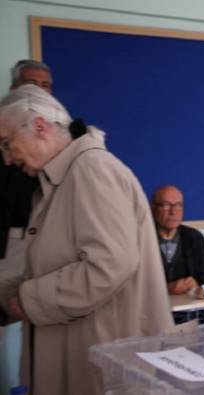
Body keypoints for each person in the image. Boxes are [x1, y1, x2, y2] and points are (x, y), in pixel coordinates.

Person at [0, 84, 173, 395]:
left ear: (40, 127)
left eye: (6, 143)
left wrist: (30, 299)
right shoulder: (58, 180)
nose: (7, 158)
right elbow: (52, 264)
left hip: (101, 356)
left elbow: (109, 264)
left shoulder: (92, 169)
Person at [0, 59, 51, 395]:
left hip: (40, 251)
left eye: (45, 86)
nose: (37, 91)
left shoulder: (60, 143)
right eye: (31, 83)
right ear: (14, 89)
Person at [151, 185, 204, 295]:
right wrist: (166, 290)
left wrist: (196, 283)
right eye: (166, 205)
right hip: (152, 309)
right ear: (153, 208)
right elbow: (130, 285)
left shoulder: (194, 237)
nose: (173, 212)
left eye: (178, 205)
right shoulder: (141, 239)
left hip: (188, 308)